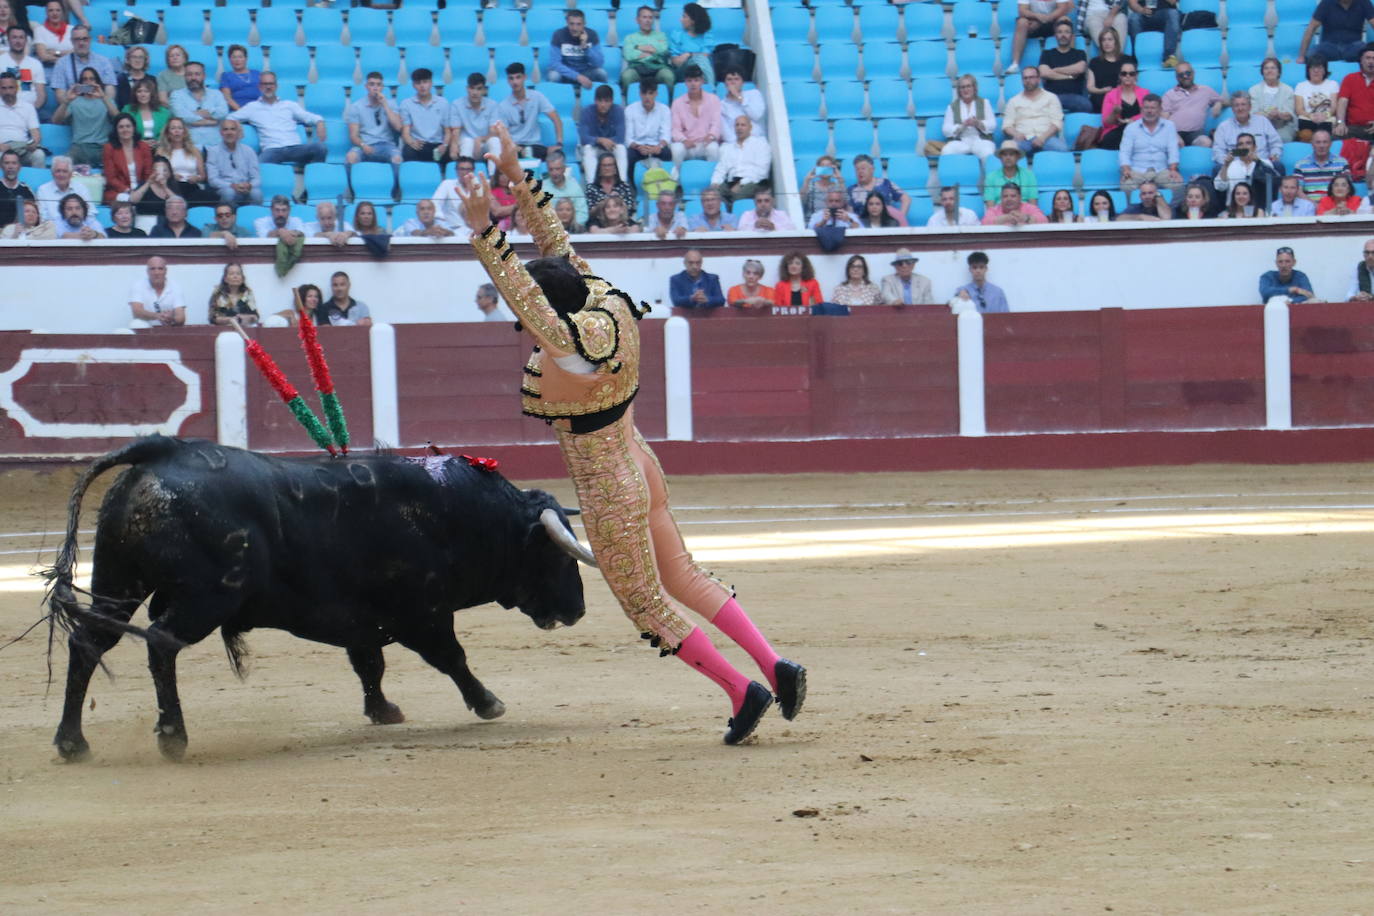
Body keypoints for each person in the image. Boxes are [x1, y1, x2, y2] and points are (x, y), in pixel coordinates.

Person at [457, 123, 804, 745]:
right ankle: (774, 663)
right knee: (686, 576)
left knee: (646, 603)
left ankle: (739, 690)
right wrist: (515, 173)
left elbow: (528, 300)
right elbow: (554, 245)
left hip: (608, 485)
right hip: (640, 459)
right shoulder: (602, 299)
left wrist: (485, 233)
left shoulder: (568, 346)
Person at [228, 71, 327, 166]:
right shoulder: (252, 107)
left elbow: (309, 117)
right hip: (272, 150)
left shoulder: (289, 105)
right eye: (265, 84)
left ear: (276, 86)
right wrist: (237, 125)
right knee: (259, 166)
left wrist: (320, 122)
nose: (268, 87)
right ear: (259, 87)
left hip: (294, 148)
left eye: (271, 84)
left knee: (320, 148)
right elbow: (230, 117)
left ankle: (310, 174)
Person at [493, 62, 561, 161]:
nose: (515, 82)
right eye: (511, 78)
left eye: (518, 77)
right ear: (508, 81)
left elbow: (556, 119)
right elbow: (504, 136)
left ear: (524, 77)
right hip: (515, 147)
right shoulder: (503, 106)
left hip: (535, 145)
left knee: (558, 155)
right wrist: (518, 149)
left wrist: (559, 143)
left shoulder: (537, 96)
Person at [51, 66, 115, 166]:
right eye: (85, 79)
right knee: (63, 165)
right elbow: (56, 121)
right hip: (79, 147)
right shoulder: (74, 102)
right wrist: (67, 101)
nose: (88, 82)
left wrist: (103, 97)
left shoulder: (106, 100)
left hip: (102, 147)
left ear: (97, 81)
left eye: (91, 79)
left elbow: (118, 119)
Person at [1119, 93, 1182, 192]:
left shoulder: (1169, 126)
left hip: (1161, 169)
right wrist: (1126, 169)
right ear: (1141, 109)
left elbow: (1173, 149)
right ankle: (1131, 208)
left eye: (1153, 108)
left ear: (1160, 109)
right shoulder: (1131, 128)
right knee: (1126, 186)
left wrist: (1173, 169)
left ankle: (1169, 208)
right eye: (1146, 108)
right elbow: (1124, 152)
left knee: (1177, 184)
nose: (1149, 111)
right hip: (1137, 170)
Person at [1003, 66, 1067, 156]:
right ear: (1022, 80)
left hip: (1046, 138)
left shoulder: (1051, 97)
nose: (1028, 80)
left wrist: (1042, 138)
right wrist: (1016, 134)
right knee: (1009, 151)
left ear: (1038, 79)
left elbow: (1056, 123)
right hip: (1023, 139)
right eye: (1025, 78)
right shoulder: (1013, 101)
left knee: (1062, 149)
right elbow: (1007, 126)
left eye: (1031, 77)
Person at [1212, 92, 1284, 169]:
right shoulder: (1224, 127)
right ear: (1232, 109)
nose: (1240, 108)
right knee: (1217, 168)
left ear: (1250, 107)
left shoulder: (1263, 121)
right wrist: (1227, 162)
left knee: (1278, 166)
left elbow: (1276, 143)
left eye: (1243, 104)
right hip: (1234, 167)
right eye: (1236, 105)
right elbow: (1218, 151)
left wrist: (1274, 155)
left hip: (1260, 165)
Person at [710, 114, 769, 207]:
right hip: (731, 182)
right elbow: (721, 168)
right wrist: (715, 182)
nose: (739, 128)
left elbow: (762, 172)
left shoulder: (760, 144)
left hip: (753, 182)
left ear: (750, 127)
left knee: (738, 197)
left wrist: (741, 183)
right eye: (737, 125)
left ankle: (731, 212)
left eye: (743, 125)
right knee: (712, 195)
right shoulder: (728, 147)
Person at [1161, 59, 1224, 146]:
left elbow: (1227, 101)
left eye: (1188, 73)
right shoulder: (1169, 94)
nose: (1185, 76)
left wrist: (1219, 103)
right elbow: (1163, 120)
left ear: (1193, 73)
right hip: (1175, 132)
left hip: (1196, 133)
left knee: (1206, 142)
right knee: (1174, 142)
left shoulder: (1205, 90)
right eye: (1181, 75)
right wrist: (1174, 135)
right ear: (1176, 78)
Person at [346, 71, 402, 166]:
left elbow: (398, 127)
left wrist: (385, 105)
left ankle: (397, 181)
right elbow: (353, 136)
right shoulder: (356, 107)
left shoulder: (391, 104)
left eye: (378, 85)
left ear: (382, 87)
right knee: (350, 157)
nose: (375, 88)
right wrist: (363, 145)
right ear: (366, 86)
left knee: (397, 158)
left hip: (386, 144)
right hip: (365, 144)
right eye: (372, 84)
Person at [46, 24, 113, 104]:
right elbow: (60, 97)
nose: (81, 43)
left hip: (100, 108)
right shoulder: (61, 63)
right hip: (74, 110)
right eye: (77, 39)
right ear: (71, 41)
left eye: (85, 39)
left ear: (90, 40)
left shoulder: (104, 62)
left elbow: (110, 93)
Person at [169, 60, 227, 150]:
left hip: (216, 145)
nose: (193, 78)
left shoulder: (217, 94)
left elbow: (223, 113)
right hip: (189, 147)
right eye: (189, 74)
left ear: (204, 76)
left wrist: (194, 114)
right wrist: (212, 120)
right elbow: (181, 116)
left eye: (197, 74)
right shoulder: (176, 95)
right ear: (185, 77)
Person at [670, 64, 720, 165]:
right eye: (689, 81)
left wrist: (710, 136)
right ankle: (677, 178)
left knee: (713, 148)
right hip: (687, 144)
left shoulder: (713, 99)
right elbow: (675, 129)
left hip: (705, 143)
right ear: (685, 82)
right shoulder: (677, 103)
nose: (693, 84)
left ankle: (714, 179)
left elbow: (717, 124)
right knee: (676, 149)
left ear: (702, 81)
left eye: (696, 80)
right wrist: (684, 140)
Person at [1215, 132, 1281, 210]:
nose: (1244, 146)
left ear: (1255, 147)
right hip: (1235, 210)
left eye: (1248, 143)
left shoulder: (1265, 163)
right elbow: (1219, 187)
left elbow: (1275, 182)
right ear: (1237, 148)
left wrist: (1257, 162)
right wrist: (1226, 165)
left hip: (1259, 209)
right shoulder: (1230, 166)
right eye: (1240, 144)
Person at [1038, 19, 1092, 113]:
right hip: (1052, 97)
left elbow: (1080, 69)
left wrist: (1056, 70)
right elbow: (1044, 72)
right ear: (1055, 36)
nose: (1063, 35)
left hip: (1075, 97)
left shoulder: (1079, 53)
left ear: (1072, 36)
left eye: (1067, 32)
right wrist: (1070, 75)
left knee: (1086, 105)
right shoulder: (1047, 53)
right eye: (1060, 32)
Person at [625, 77, 675, 178]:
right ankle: (633, 186)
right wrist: (638, 147)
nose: (647, 97)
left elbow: (666, 135)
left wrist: (658, 147)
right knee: (629, 155)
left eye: (650, 93)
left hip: (657, 147)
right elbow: (628, 138)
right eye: (644, 93)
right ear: (640, 93)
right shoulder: (630, 109)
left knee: (668, 153)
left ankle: (666, 184)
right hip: (638, 148)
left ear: (656, 94)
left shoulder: (664, 110)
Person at [156, 116, 212, 204]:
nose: (177, 131)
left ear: (184, 132)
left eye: (180, 128)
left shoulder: (195, 151)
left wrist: (197, 178)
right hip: (171, 187)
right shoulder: (161, 151)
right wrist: (171, 177)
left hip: (192, 186)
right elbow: (158, 174)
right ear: (168, 133)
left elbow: (202, 175)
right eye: (173, 128)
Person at [1297, 0, 1374, 64]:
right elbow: (1311, 28)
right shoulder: (1326, 3)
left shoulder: (1364, 2)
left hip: (1354, 47)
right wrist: (1301, 56)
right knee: (1312, 54)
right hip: (1329, 47)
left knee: (1367, 52)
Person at [547, 8, 608, 87]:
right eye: (571, 24)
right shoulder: (558, 35)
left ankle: (598, 98)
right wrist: (577, 76)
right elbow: (555, 63)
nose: (575, 28)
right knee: (553, 76)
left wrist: (585, 47)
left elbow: (599, 63)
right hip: (565, 73)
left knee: (601, 73)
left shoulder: (592, 35)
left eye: (578, 24)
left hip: (585, 72)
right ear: (567, 23)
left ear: (584, 24)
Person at [578, 83, 627, 182]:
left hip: (611, 147)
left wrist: (607, 142)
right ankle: (591, 186)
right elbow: (584, 138)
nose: (603, 105)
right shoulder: (586, 112)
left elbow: (620, 138)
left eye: (606, 101)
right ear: (595, 101)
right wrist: (600, 140)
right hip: (594, 147)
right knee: (588, 149)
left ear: (612, 101)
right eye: (600, 101)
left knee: (621, 148)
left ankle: (622, 184)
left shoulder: (618, 111)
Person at [399, 68, 449, 164]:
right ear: (413, 85)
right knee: (408, 151)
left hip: (437, 144)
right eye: (418, 83)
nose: (422, 86)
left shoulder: (443, 103)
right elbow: (405, 132)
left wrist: (445, 145)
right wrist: (411, 142)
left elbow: (447, 131)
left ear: (431, 83)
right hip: (419, 144)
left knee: (450, 153)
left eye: (425, 82)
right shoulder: (406, 104)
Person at [620, 4, 674, 94]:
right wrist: (652, 52)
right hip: (637, 69)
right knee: (626, 76)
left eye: (650, 17)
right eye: (644, 17)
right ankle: (628, 103)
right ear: (637, 20)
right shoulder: (629, 38)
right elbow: (628, 55)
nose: (648, 20)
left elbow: (664, 50)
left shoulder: (661, 35)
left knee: (668, 76)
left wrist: (637, 47)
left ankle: (670, 104)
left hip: (658, 68)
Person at [941, 74, 997, 159]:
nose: (965, 90)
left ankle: (989, 172)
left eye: (968, 86)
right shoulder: (952, 107)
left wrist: (978, 123)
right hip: (961, 141)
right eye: (962, 87)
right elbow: (946, 129)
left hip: (981, 140)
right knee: (947, 151)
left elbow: (993, 124)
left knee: (987, 152)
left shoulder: (985, 103)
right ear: (959, 90)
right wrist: (962, 126)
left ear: (974, 88)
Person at [206, 118, 261, 205]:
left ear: (238, 132)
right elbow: (213, 180)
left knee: (256, 193)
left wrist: (249, 185)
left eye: (233, 129)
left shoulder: (248, 150)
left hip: (245, 188)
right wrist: (231, 185)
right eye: (225, 129)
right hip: (225, 188)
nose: (229, 133)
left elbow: (257, 178)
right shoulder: (213, 151)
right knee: (229, 193)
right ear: (221, 133)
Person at [1096, 59, 1148, 150]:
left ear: (1136, 76)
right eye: (1124, 73)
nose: (1127, 76)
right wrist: (1114, 113)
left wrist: (1131, 120)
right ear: (1120, 76)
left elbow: (1149, 114)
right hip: (1117, 130)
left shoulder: (1144, 93)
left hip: (1140, 129)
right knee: (1111, 139)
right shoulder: (1110, 95)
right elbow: (1106, 123)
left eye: (1131, 74)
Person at [1010, 0, 1072, 76]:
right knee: (1021, 22)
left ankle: (1070, 61)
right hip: (1033, 22)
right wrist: (1037, 17)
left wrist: (1049, 17)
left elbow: (1063, 8)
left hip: (1053, 21)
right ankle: (1015, 64)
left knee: (1065, 20)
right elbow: (1022, 11)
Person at [449, 72, 498, 161]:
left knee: (495, 141)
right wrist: (454, 146)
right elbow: (456, 131)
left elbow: (493, 132)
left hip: (484, 142)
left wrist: (480, 140)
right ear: (467, 89)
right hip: (466, 143)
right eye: (472, 88)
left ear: (484, 90)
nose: (475, 92)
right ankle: (467, 174)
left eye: (479, 89)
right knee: (467, 142)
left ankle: (494, 174)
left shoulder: (493, 105)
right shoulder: (457, 105)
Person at [0, 71, 44, 167]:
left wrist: (34, 143)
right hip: (1, 149)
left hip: (22, 149)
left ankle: (37, 182)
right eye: (4, 88)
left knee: (39, 155)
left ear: (17, 88)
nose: (8, 92)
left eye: (11, 87)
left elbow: (35, 134)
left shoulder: (28, 107)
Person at [847, 152, 910, 218]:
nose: (860, 172)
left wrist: (900, 219)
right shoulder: (851, 190)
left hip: (886, 224)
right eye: (857, 169)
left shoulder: (885, 183)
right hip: (863, 226)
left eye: (863, 168)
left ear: (872, 169)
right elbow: (850, 215)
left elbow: (906, 199)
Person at [1292, 128, 1349, 200]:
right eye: (1318, 142)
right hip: (1309, 207)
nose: (1321, 146)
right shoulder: (1300, 165)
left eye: (1325, 142)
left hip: (1334, 206)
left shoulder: (1342, 163)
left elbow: (1347, 189)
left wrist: (1328, 206)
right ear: (1312, 144)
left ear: (1330, 144)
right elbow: (1298, 191)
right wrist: (1314, 205)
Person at [128, 255, 185, 327]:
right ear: (147, 271)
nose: (156, 272)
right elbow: (136, 312)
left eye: (160, 269)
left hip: (168, 327)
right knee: (136, 324)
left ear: (165, 271)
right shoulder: (138, 286)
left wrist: (172, 318)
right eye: (152, 269)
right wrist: (157, 316)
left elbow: (181, 317)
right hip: (147, 329)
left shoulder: (175, 287)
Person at [1251, 58, 1298, 144]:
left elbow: (1289, 114)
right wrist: (1267, 115)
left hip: (1282, 126)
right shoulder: (1254, 90)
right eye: (1266, 68)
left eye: (1273, 68)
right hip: (1260, 127)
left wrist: (1278, 115)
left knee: (1282, 138)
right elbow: (1253, 113)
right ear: (1262, 72)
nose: (1269, 71)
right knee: (1256, 139)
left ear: (1279, 72)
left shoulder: (1288, 90)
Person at [1295, 55, 1341, 141]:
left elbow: (1334, 107)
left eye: (1319, 68)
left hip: (1326, 119)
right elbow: (1299, 109)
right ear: (1308, 70)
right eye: (1313, 68)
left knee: (1326, 134)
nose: (1316, 71)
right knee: (1305, 135)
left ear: (1325, 70)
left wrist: (1325, 115)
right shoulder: (1300, 86)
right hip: (1307, 119)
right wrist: (1310, 115)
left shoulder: (1333, 84)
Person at [1335, 44, 1374, 140]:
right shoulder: (1350, 79)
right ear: (1361, 60)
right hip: (1353, 128)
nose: (1371, 62)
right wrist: (1340, 122)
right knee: (1332, 137)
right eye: (1368, 58)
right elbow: (1342, 102)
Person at [4, 26, 47, 112]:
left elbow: (41, 95)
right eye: (14, 37)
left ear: (26, 40)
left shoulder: (35, 64)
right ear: (8, 40)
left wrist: (32, 110)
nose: (18, 41)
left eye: (21, 37)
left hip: (31, 110)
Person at [1126, 0, 1181, 68]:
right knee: (1134, 18)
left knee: (1173, 13)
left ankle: (1169, 57)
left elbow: (1173, 2)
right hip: (1143, 14)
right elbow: (1132, 3)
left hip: (1164, 14)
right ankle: (1137, 58)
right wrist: (1141, 10)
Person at [668, 3, 714, 84]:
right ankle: (711, 89)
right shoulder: (676, 34)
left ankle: (707, 88)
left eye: (684, 16)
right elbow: (676, 62)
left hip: (702, 69)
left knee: (701, 60)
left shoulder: (706, 35)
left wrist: (689, 54)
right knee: (700, 60)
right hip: (683, 71)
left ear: (693, 20)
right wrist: (686, 59)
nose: (681, 19)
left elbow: (705, 55)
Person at [35, 154, 88, 222]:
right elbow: (43, 217)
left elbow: (90, 213)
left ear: (71, 174)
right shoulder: (43, 190)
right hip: (53, 230)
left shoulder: (81, 189)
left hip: (79, 227)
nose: (61, 174)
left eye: (65, 171)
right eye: (58, 171)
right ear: (52, 173)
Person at [431, 155, 479, 229]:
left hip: (475, 229)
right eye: (462, 169)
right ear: (456, 170)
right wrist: (442, 221)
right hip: (452, 229)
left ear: (473, 171)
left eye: (468, 169)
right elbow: (434, 204)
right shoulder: (447, 184)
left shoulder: (479, 187)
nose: (465, 172)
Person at [719, 67, 765, 143]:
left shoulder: (754, 94)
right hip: (735, 143)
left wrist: (739, 97)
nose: (733, 82)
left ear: (742, 82)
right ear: (725, 83)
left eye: (736, 79)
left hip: (756, 140)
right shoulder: (721, 105)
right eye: (729, 79)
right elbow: (725, 130)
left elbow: (757, 115)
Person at [583, 150, 636, 215]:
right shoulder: (591, 188)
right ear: (599, 168)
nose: (607, 168)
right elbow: (590, 211)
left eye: (610, 165)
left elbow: (630, 209)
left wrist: (618, 201)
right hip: (599, 222)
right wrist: (606, 202)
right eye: (604, 165)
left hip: (622, 220)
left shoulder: (624, 186)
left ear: (615, 168)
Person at [542, 148, 586, 225]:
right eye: (551, 169)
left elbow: (582, 213)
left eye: (557, 169)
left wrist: (572, 227)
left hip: (573, 229)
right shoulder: (542, 188)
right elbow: (539, 214)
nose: (554, 173)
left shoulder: (574, 186)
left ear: (564, 169)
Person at [208, 262, 259, 326]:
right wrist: (230, 320)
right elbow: (212, 318)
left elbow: (256, 316)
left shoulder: (247, 294)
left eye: (238, 274)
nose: (235, 276)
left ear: (243, 278)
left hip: (245, 330)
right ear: (225, 279)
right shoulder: (218, 294)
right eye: (231, 274)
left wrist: (247, 318)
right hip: (223, 330)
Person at [121, 76, 168, 143]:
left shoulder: (164, 112)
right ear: (135, 94)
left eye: (146, 91)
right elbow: (122, 132)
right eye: (139, 91)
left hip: (159, 148)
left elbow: (167, 134)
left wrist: (157, 143)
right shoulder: (127, 110)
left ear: (152, 94)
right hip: (135, 147)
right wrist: (142, 143)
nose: (143, 94)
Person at [801, 154, 843, 220]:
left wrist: (840, 180)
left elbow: (846, 202)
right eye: (822, 166)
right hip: (813, 223)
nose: (825, 169)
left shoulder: (837, 186)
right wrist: (806, 181)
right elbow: (801, 201)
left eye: (828, 166)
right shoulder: (811, 186)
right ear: (818, 169)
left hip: (833, 221)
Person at [982, 182, 1049, 225]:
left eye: (1013, 196)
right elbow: (984, 223)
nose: (1009, 199)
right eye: (1005, 196)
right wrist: (1006, 218)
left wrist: (1026, 218)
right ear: (1001, 198)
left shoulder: (1030, 207)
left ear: (1020, 197)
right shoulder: (993, 210)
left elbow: (1044, 220)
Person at [219, 43, 260, 112]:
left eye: (240, 57)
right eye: (234, 57)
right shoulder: (226, 76)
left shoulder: (257, 73)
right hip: (238, 110)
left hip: (258, 109)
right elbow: (227, 98)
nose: (237, 60)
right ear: (230, 59)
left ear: (246, 59)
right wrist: (242, 112)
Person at [0, 148, 34, 226]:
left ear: (19, 167)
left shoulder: (27, 190)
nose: (10, 166)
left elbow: (34, 217)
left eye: (14, 163)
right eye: (7, 163)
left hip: (21, 234)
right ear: (1, 166)